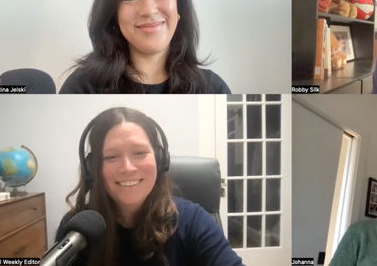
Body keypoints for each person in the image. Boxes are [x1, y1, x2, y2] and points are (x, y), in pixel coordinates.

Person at [57, 107, 242, 265]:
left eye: (139, 153)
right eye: (111, 157)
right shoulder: (76, 230)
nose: (128, 168)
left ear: (160, 159)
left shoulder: (193, 221)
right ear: (92, 168)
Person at [60, 0, 230, 93]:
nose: (148, 10)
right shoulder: (82, 87)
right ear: (113, 13)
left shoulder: (212, 88)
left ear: (179, 7)